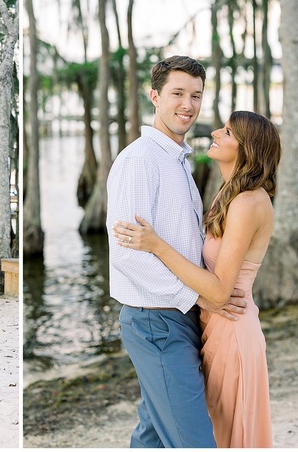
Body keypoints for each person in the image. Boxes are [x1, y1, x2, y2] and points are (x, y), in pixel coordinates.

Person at [114, 110, 280, 447]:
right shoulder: (227, 195)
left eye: (229, 132)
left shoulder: (248, 202)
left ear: (246, 149)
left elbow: (219, 292)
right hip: (209, 326)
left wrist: (156, 245)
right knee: (164, 427)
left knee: (229, 436)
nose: (217, 132)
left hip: (231, 329)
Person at [106, 55, 247, 448]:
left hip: (180, 318)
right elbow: (127, 255)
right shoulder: (139, 160)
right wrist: (202, 295)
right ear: (155, 96)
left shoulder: (179, 161)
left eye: (196, 95)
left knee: (152, 435)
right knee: (195, 441)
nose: (188, 104)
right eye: (178, 94)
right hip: (156, 322)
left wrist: (204, 300)